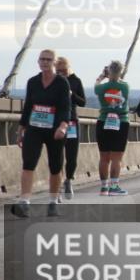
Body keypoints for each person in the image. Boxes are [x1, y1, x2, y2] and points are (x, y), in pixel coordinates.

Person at [12, 49, 71, 218]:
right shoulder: (33, 82)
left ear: (54, 62)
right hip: (35, 128)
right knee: (28, 163)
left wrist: (63, 127)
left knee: (55, 166)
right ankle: (24, 202)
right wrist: (21, 129)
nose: (45, 62)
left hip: (55, 130)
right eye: (42, 59)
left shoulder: (61, 83)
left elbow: (65, 108)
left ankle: (53, 202)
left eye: (48, 59)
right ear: (38, 62)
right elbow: (28, 106)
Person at [94, 60, 131, 197]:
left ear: (109, 71)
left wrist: (102, 76)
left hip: (103, 120)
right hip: (121, 121)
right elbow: (118, 81)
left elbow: (96, 86)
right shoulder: (125, 86)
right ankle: (114, 186)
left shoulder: (102, 88)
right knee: (117, 157)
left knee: (104, 157)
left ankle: (104, 187)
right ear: (121, 71)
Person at [54, 56, 85, 200]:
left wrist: (72, 95)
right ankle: (57, 188)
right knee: (57, 156)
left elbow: (83, 102)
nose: (61, 73)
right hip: (56, 121)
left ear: (69, 68)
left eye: (63, 70)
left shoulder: (76, 81)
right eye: (58, 71)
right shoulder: (53, 80)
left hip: (72, 121)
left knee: (72, 157)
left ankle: (68, 180)